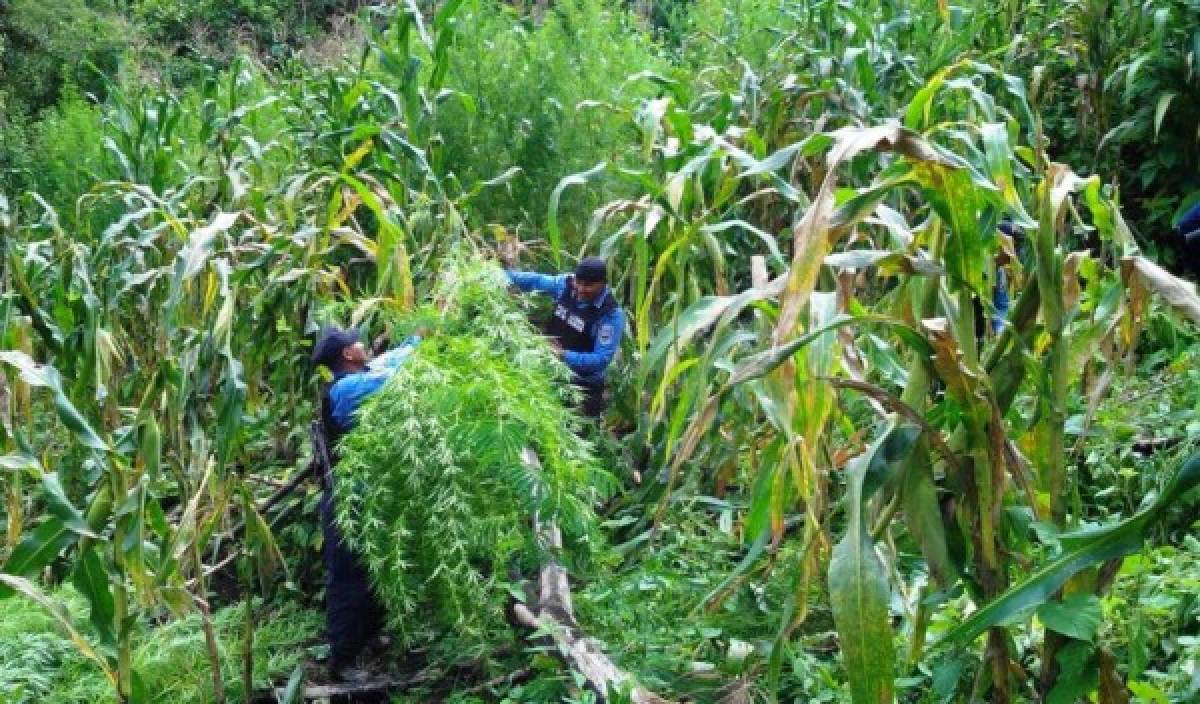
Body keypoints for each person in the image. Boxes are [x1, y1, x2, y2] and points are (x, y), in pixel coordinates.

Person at [310, 326, 421, 681]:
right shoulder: (346, 390)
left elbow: (392, 358)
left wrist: (421, 334)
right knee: (348, 580)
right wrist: (418, 350)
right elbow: (396, 373)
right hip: (347, 499)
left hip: (366, 496)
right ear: (348, 354)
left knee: (376, 569)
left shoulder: (361, 373)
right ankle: (342, 663)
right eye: (357, 343)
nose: (364, 345)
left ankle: (370, 641)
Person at [506, 257, 625, 417]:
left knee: (579, 435)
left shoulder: (610, 316)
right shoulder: (566, 285)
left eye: (589, 285)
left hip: (582, 387)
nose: (581, 289)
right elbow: (536, 280)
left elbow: (600, 360)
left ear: (603, 283)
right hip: (551, 374)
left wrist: (563, 355)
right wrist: (499, 275)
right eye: (579, 282)